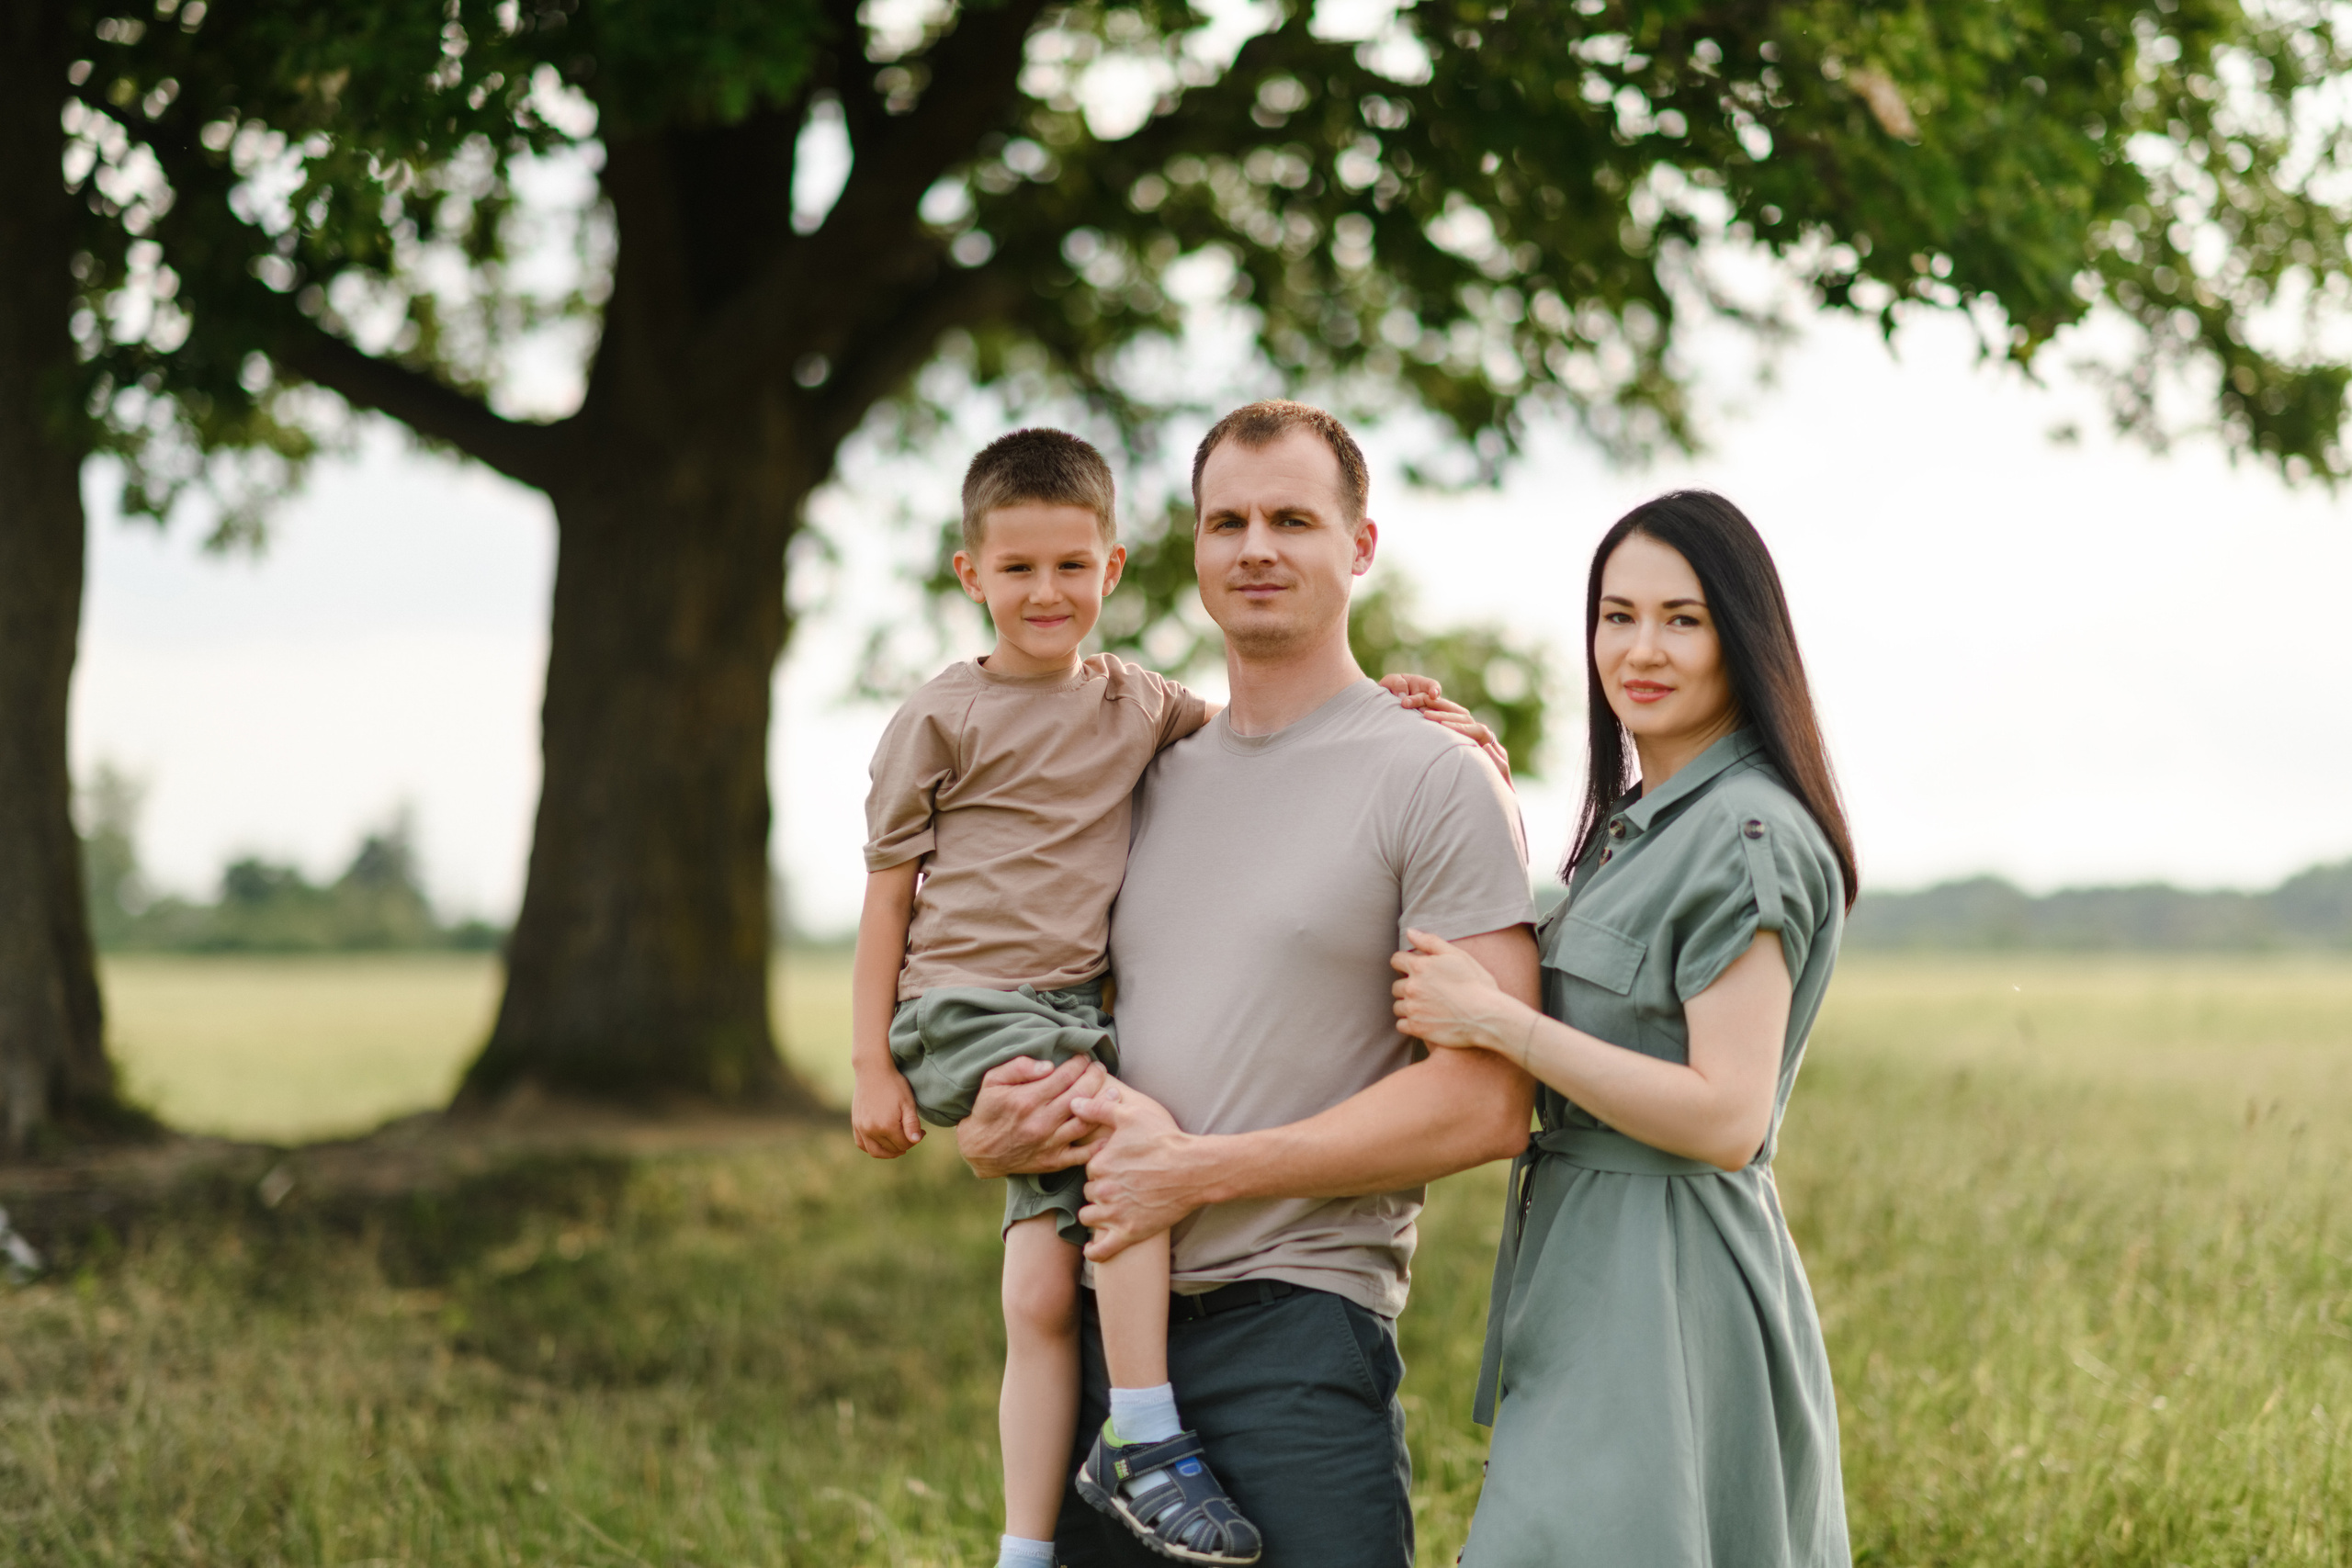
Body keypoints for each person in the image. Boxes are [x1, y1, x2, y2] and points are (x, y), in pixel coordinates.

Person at [852, 426, 1491, 1568]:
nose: (1255, 548)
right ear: (1189, 553)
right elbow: (1017, 962)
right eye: (1227, 521)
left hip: (1295, 1335)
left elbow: (1485, 1108)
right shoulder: (1143, 761)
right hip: (1109, 1340)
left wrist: (1194, 1171)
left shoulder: (1430, 772)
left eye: (1291, 519)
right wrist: (996, 1135)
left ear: (1361, 546)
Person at [1388, 490, 1860, 1567]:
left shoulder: (1746, 835)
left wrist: (1500, 1027)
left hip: (1671, 1286)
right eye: (1616, 615)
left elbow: (1726, 1116)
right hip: (1590, 1271)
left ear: (1741, 638)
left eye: (1682, 619)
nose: (1641, 649)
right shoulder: (1641, 827)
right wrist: (1477, 794)